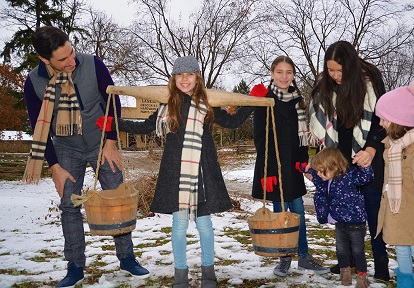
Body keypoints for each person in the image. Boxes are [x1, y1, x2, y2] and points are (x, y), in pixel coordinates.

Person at [96, 55, 254, 288]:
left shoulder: (209, 104)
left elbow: (232, 122)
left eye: (189, 74)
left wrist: (252, 101)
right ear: (173, 78)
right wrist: (114, 123)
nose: (184, 79)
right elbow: (147, 127)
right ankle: (181, 274)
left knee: (204, 225)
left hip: (202, 172)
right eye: (180, 74)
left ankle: (208, 274)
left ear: (197, 78)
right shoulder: (167, 105)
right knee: (179, 226)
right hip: (176, 173)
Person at [22, 26, 149, 288]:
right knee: (69, 205)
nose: (72, 61)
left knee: (117, 197)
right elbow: (39, 127)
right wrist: (54, 165)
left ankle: (126, 257)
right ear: (45, 60)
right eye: (63, 59)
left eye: (72, 53)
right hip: (66, 148)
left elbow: (113, 102)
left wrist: (111, 141)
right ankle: (75, 265)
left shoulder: (94, 64)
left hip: (102, 142)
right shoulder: (33, 82)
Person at [308, 40, 390, 281]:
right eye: (330, 70)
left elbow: (381, 118)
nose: (335, 76)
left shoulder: (370, 79)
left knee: (373, 213)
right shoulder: (325, 86)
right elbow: (320, 121)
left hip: (367, 158)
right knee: (344, 213)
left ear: (351, 66)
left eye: (340, 71)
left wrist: (372, 149)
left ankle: (381, 262)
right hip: (340, 163)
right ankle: (349, 262)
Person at [250, 56, 329, 277]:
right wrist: (268, 172)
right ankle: (284, 258)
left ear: (293, 75)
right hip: (273, 166)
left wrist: (303, 161)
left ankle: (303, 256)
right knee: (280, 213)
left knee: (298, 211)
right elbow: (260, 138)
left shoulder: (299, 101)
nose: (284, 77)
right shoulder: (265, 99)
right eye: (280, 72)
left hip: (292, 166)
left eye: (289, 72)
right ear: (272, 73)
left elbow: (301, 138)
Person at [303, 147, 373, 287]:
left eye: (321, 170)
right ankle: (345, 274)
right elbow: (315, 176)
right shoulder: (326, 180)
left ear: (334, 166)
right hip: (340, 223)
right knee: (341, 251)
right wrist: (308, 169)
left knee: (358, 252)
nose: (318, 174)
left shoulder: (350, 176)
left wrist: (366, 166)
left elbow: (366, 177)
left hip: (356, 224)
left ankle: (362, 278)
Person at [374, 82, 414, 288]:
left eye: (384, 118)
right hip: (397, 208)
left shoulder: (411, 149)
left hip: (411, 209)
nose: (380, 123)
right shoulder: (391, 145)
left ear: (399, 120)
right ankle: (406, 282)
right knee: (401, 247)